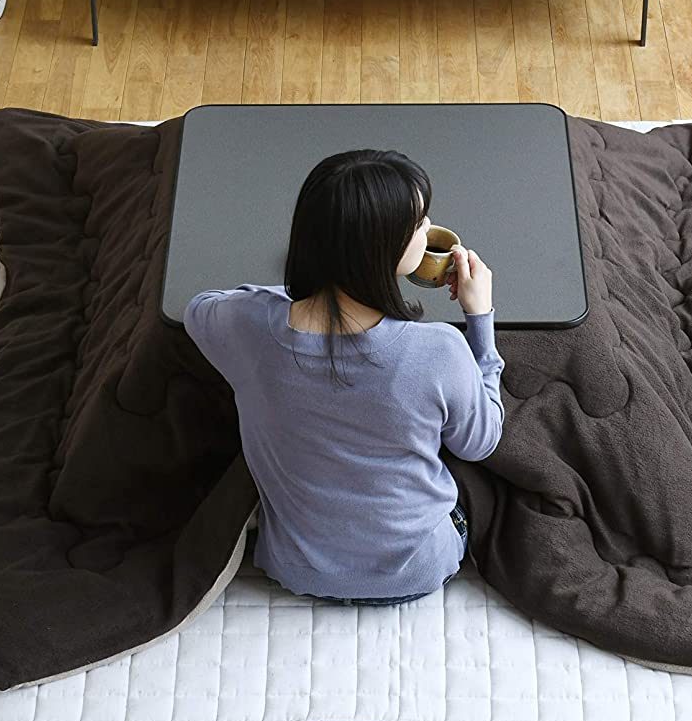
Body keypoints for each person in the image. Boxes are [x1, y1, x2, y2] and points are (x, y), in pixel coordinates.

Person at [183, 148, 504, 606]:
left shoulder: (247, 326)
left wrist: (304, 294)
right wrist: (480, 318)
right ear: (382, 251)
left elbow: (200, 308)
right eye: (418, 223)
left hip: (293, 567)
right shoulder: (439, 350)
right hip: (418, 568)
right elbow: (482, 440)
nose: (430, 227)